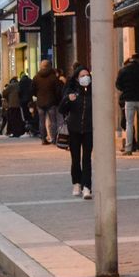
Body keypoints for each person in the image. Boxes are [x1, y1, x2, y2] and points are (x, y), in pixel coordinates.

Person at [60, 65, 94, 199]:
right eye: (82, 76)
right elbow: (61, 109)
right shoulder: (71, 91)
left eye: (87, 75)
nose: (85, 78)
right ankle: (76, 183)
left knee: (87, 158)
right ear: (76, 78)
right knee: (75, 159)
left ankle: (87, 187)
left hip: (89, 129)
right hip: (74, 129)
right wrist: (68, 99)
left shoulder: (93, 92)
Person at [115, 53, 139, 155]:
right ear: (138, 60)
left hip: (129, 100)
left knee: (129, 124)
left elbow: (118, 85)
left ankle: (128, 148)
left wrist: (126, 90)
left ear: (131, 59)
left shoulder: (124, 70)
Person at [33, 60, 63, 147]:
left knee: (41, 121)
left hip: (40, 102)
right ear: (50, 66)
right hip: (51, 101)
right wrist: (56, 99)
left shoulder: (36, 77)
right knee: (53, 121)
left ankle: (43, 139)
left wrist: (38, 95)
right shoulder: (53, 77)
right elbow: (58, 91)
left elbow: (33, 90)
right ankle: (53, 139)